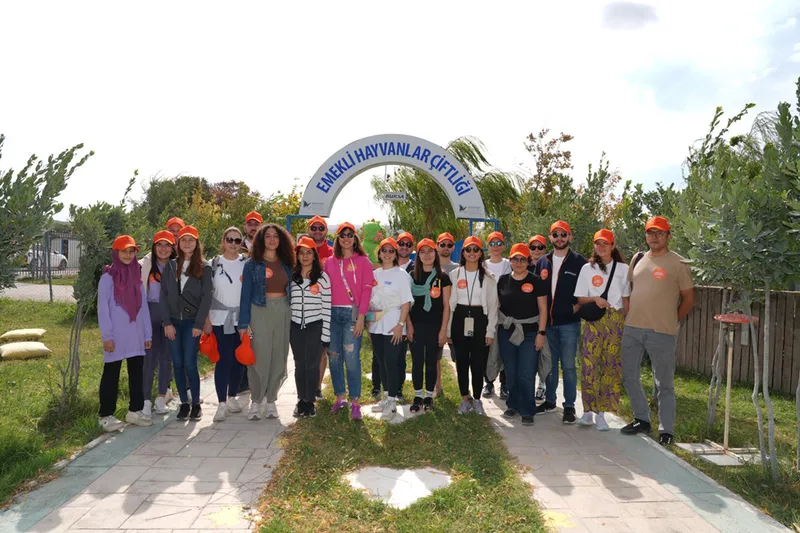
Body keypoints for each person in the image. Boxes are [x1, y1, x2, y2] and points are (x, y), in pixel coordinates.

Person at [621, 217, 695, 445]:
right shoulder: (638, 259)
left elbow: (689, 299)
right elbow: (632, 289)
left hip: (661, 332)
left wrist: (672, 320)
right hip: (633, 329)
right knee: (629, 377)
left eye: (659, 233)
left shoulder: (679, 263)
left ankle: (667, 430)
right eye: (650, 232)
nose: (654, 236)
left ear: (668, 235)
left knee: (664, 383)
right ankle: (642, 418)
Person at [574, 229, 630, 431]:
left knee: (610, 366)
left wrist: (627, 322)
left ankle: (602, 414)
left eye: (606, 243)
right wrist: (595, 299)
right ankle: (587, 411)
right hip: (594, 320)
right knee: (589, 364)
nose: (602, 247)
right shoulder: (587, 269)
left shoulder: (623, 269)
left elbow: (625, 300)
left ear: (613, 246)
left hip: (615, 320)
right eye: (598, 243)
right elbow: (580, 298)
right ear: (594, 246)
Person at [238, 224, 295, 420]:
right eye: (268, 236)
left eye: (275, 236)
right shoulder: (251, 264)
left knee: (279, 355)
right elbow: (245, 296)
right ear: (261, 240)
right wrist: (243, 324)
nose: (272, 240)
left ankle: (271, 400)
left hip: (283, 311)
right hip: (259, 311)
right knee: (259, 356)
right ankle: (256, 401)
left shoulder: (288, 263)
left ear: (281, 240)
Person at [97, 235, 153, 432]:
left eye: (131, 251)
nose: (128, 255)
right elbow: (103, 310)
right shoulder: (108, 278)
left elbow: (144, 307)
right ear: (116, 253)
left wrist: (147, 334)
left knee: (136, 372)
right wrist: (107, 336)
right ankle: (106, 415)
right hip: (116, 337)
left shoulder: (136, 277)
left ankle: (135, 410)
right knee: (111, 373)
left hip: (135, 335)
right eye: (124, 251)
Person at [535, 221, 587, 424]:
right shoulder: (543, 261)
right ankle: (549, 400)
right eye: (555, 234)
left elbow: (588, 290)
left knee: (568, 366)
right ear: (550, 238)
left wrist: (578, 307)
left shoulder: (579, 262)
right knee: (550, 364)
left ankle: (570, 406)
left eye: (563, 234)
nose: (559, 238)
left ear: (570, 237)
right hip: (547, 324)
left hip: (569, 324)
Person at [160, 225, 213, 421]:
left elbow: (207, 296)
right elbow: (163, 296)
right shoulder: (171, 266)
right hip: (173, 322)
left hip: (192, 323)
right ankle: (183, 403)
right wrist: (166, 322)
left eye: (191, 240)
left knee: (190, 363)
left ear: (197, 243)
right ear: (178, 243)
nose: (187, 243)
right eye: (183, 240)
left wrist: (200, 323)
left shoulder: (204, 267)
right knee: (178, 363)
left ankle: (196, 403)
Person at [323, 222, 374, 420]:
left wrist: (361, 318)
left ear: (355, 238)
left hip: (352, 315)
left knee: (352, 360)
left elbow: (366, 290)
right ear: (337, 238)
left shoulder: (363, 261)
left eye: (350, 234)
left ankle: (355, 402)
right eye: (342, 235)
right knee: (334, 358)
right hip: (332, 315)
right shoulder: (329, 262)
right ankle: (340, 397)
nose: (346, 238)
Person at [447, 236, 498, 416]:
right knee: (461, 362)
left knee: (477, 363)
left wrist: (490, 330)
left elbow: (493, 307)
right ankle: (464, 400)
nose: (472, 253)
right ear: (463, 253)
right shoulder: (454, 275)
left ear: (480, 253)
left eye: (475, 249)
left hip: (479, 319)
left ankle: (477, 399)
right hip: (459, 318)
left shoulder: (489, 278)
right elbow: (449, 306)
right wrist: (447, 330)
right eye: (468, 249)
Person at [368, 238, 414, 420]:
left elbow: (406, 302)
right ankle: (386, 397)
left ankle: (393, 401)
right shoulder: (375, 274)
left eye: (391, 251)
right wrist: (369, 325)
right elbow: (371, 302)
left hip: (394, 324)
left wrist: (400, 325)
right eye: (384, 250)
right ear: (379, 253)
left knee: (392, 363)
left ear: (395, 254)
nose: (387, 254)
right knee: (380, 362)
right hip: (376, 325)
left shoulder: (401, 275)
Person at [497, 243, 541, 426]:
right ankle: (512, 405)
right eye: (515, 258)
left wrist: (542, 332)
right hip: (507, 332)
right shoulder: (502, 280)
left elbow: (543, 309)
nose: (519, 262)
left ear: (528, 261)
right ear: (511, 259)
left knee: (527, 373)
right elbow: (497, 306)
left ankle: (527, 410)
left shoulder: (536, 281)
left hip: (530, 332)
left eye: (523, 259)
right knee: (511, 371)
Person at [289, 236, 331, 418]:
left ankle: (310, 400)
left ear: (315, 255)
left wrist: (326, 333)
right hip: (296, 325)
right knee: (300, 364)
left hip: (316, 325)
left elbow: (327, 306)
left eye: (309, 252)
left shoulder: (322, 278)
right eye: (301, 253)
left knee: (313, 364)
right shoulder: (292, 276)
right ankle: (301, 400)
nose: (305, 256)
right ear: (297, 256)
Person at [408, 238, 451, 412]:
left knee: (431, 362)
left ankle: (428, 396)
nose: (427, 255)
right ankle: (418, 395)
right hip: (416, 325)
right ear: (418, 255)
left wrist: (443, 331)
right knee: (417, 361)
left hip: (435, 326)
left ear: (435, 253)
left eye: (430, 251)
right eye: (423, 252)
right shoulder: (411, 276)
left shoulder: (443, 277)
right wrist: (409, 326)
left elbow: (447, 306)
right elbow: (406, 302)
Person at [208, 227, 247, 422]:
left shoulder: (246, 264)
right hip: (219, 319)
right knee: (223, 360)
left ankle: (233, 396)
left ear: (241, 243)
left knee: (238, 359)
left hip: (241, 320)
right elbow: (206, 294)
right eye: (229, 239)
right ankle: (221, 402)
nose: (233, 244)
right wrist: (206, 319)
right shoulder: (213, 264)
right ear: (223, 241)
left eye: (237, 240)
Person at [140, 231, 176, 417]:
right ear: (154, 248)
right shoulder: (146, 266)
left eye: (167, 245)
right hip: (150, 313)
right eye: (159, 245)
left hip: (170, 316)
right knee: (149, 358)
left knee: (166, 358)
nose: (163, 248)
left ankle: (161, 398)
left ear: (172, 248)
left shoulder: (175, 267)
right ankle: (146, 400)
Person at [483, 230, 511, 400]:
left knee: (504, 348)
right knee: (488, 348)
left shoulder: (509, 264)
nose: (495, 246)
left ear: (503, 246)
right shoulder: (483, 265)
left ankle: (505, 384)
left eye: (498, 243)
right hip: (488, 313)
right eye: (492, 243)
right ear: (488, 246)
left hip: (506, 313)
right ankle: (489, 381)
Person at [308, 215, 332, 402]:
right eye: (314, 228)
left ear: (325, 230)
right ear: (309, 230)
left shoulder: (332, 252)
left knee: (322, 349)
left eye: (320, 228)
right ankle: (305, 385)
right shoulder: (300, 250)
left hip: (325, 307)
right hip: (304, 308)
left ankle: (316, 387)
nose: (317, 231)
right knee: (305, 350)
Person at [435, 231, 458, 396]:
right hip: (437, 317)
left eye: (449, 245)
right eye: (442, 244)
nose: (445, 248)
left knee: (460, 355)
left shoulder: (459, 268)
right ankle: (438, 386)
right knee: (436, 355)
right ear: (437, 246)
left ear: (453, 248)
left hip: (456, 317)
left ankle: (465, 389)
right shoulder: (431, 267)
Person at [527, 234, 548, 402]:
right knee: (530, 355)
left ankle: (542, 386)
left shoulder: (549, 264)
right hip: (527, 318)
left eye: (540, 247)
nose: (536, 250)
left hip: (544, 315)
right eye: (533, 247)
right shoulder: (521, 265)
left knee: (544, 354)